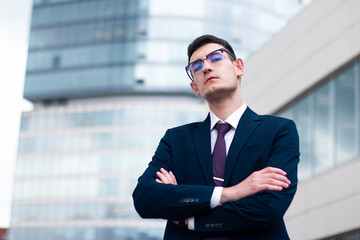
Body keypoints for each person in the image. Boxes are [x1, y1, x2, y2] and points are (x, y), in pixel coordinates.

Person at [132, 35, 300, 240]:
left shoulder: (279, 131)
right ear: (195, 88)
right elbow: (144, 199)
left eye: (215, 58)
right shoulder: (176, 140)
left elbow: (269, 206)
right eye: (196, 66)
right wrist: (231, 193)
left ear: (238, 67)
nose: (206, 67)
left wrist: (188, 217)